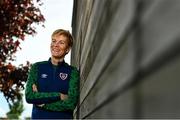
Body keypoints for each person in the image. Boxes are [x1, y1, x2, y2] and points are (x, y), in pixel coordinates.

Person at [25, 29, 79, 119]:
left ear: (68, 49)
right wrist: (59, 96)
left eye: (61, 42)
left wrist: (43, 103)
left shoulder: (73, 72)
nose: (56, 45)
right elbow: (30, 96)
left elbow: (71, 103)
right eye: (54, 41)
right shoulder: (37, 67)